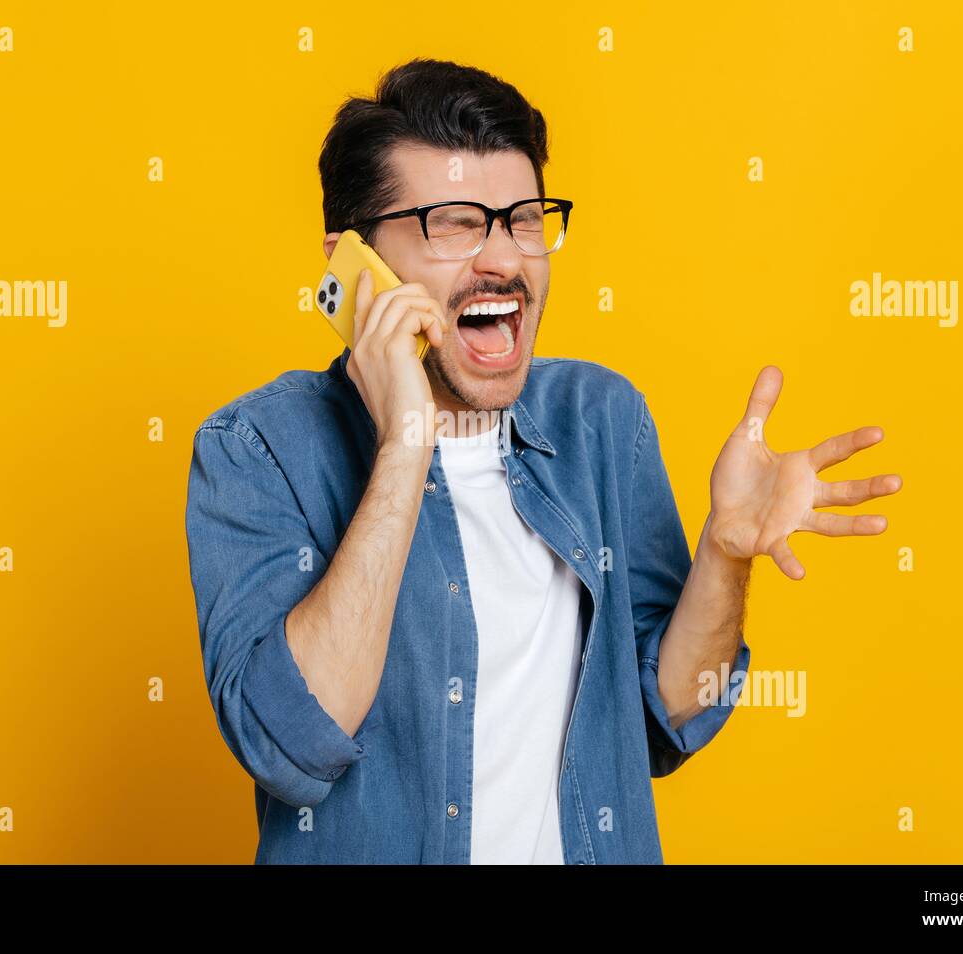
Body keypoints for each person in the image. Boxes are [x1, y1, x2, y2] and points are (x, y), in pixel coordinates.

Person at [184, 57, 902, 864]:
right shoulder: (257, 451)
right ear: (352, 267)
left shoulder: (601, 420)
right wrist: (405, 445)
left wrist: (724, 557)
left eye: (523, 219)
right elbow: (292, 743)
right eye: (454, 222)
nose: (504, 260)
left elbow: (670, 713)